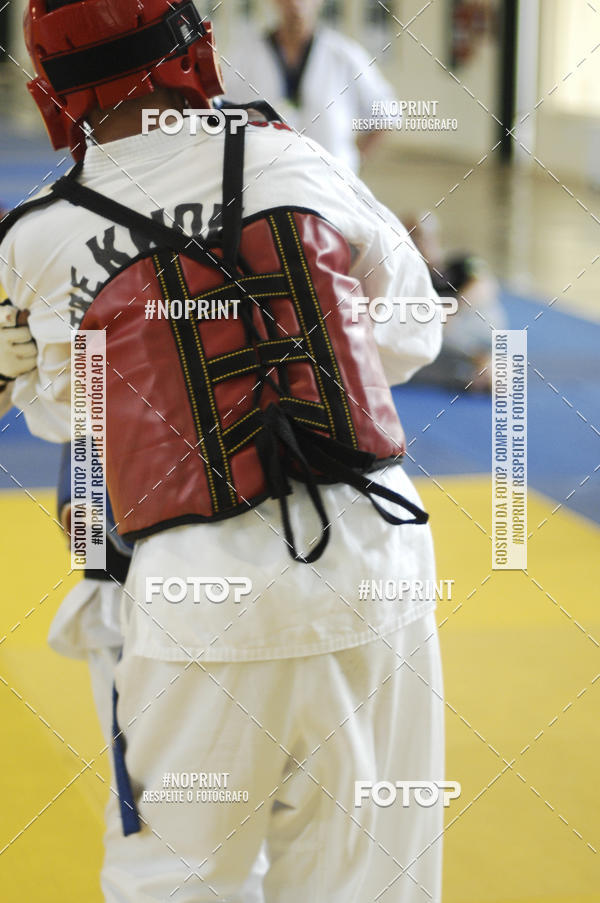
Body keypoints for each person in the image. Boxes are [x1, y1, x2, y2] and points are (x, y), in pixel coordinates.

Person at [1, 1, 445, 901]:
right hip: (381, 556)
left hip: (198, 592)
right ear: (192, 48)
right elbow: (410, 336)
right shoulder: (295, 157)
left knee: (177, 880)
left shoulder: (37, 237)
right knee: (370, 881)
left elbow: (70, 418)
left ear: (51, 88)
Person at [223, 0, 396, 172]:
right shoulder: (244, 56)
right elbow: (220, 113)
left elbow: (387, 113)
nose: (295, 3)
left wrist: (353, 163)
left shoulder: (345, 55)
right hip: (266, 179)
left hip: (331, 182)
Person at [405, 213, 506, 392]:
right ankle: (473, 372)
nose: (417, 243)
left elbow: (485, 286)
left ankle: (484, 360)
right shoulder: (409, 277)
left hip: (469, 324)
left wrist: (452, 310)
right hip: (441, 338)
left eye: (420, 236)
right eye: (410, 237)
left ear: (436, 237)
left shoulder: (461, 263)